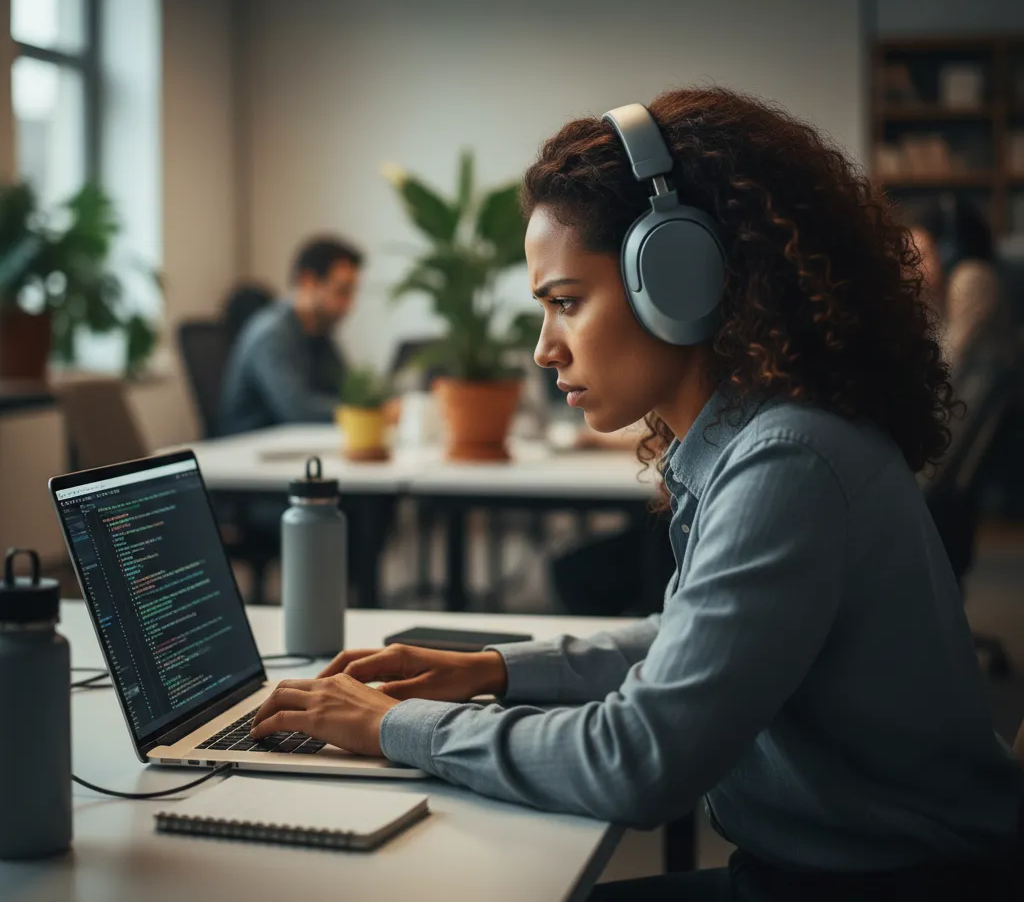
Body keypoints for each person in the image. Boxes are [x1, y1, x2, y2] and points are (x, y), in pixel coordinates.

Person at [249, 88, 1023, 899]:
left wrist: (392, 726)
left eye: (565, 303)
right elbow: (684, 642)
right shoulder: (760, 437)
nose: (545, 349)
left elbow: (637, 761)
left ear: (680, 279)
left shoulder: (790, 460)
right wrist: (488, 671)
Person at [219, 237, 362, 435]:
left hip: (295, 447)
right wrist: (366, 413)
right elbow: (298, 410)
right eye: (341, 291)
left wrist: (373, 403)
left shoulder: (319, 332)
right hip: (248, 451)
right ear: (307, 281)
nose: (348, 305)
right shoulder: (271, 334)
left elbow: (349, 391)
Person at [908, 196, 1009, 379]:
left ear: (948, 253)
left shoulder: (973, 279)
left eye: (919, 256)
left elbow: (948, 367)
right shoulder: (932, 296)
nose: (910, 267)